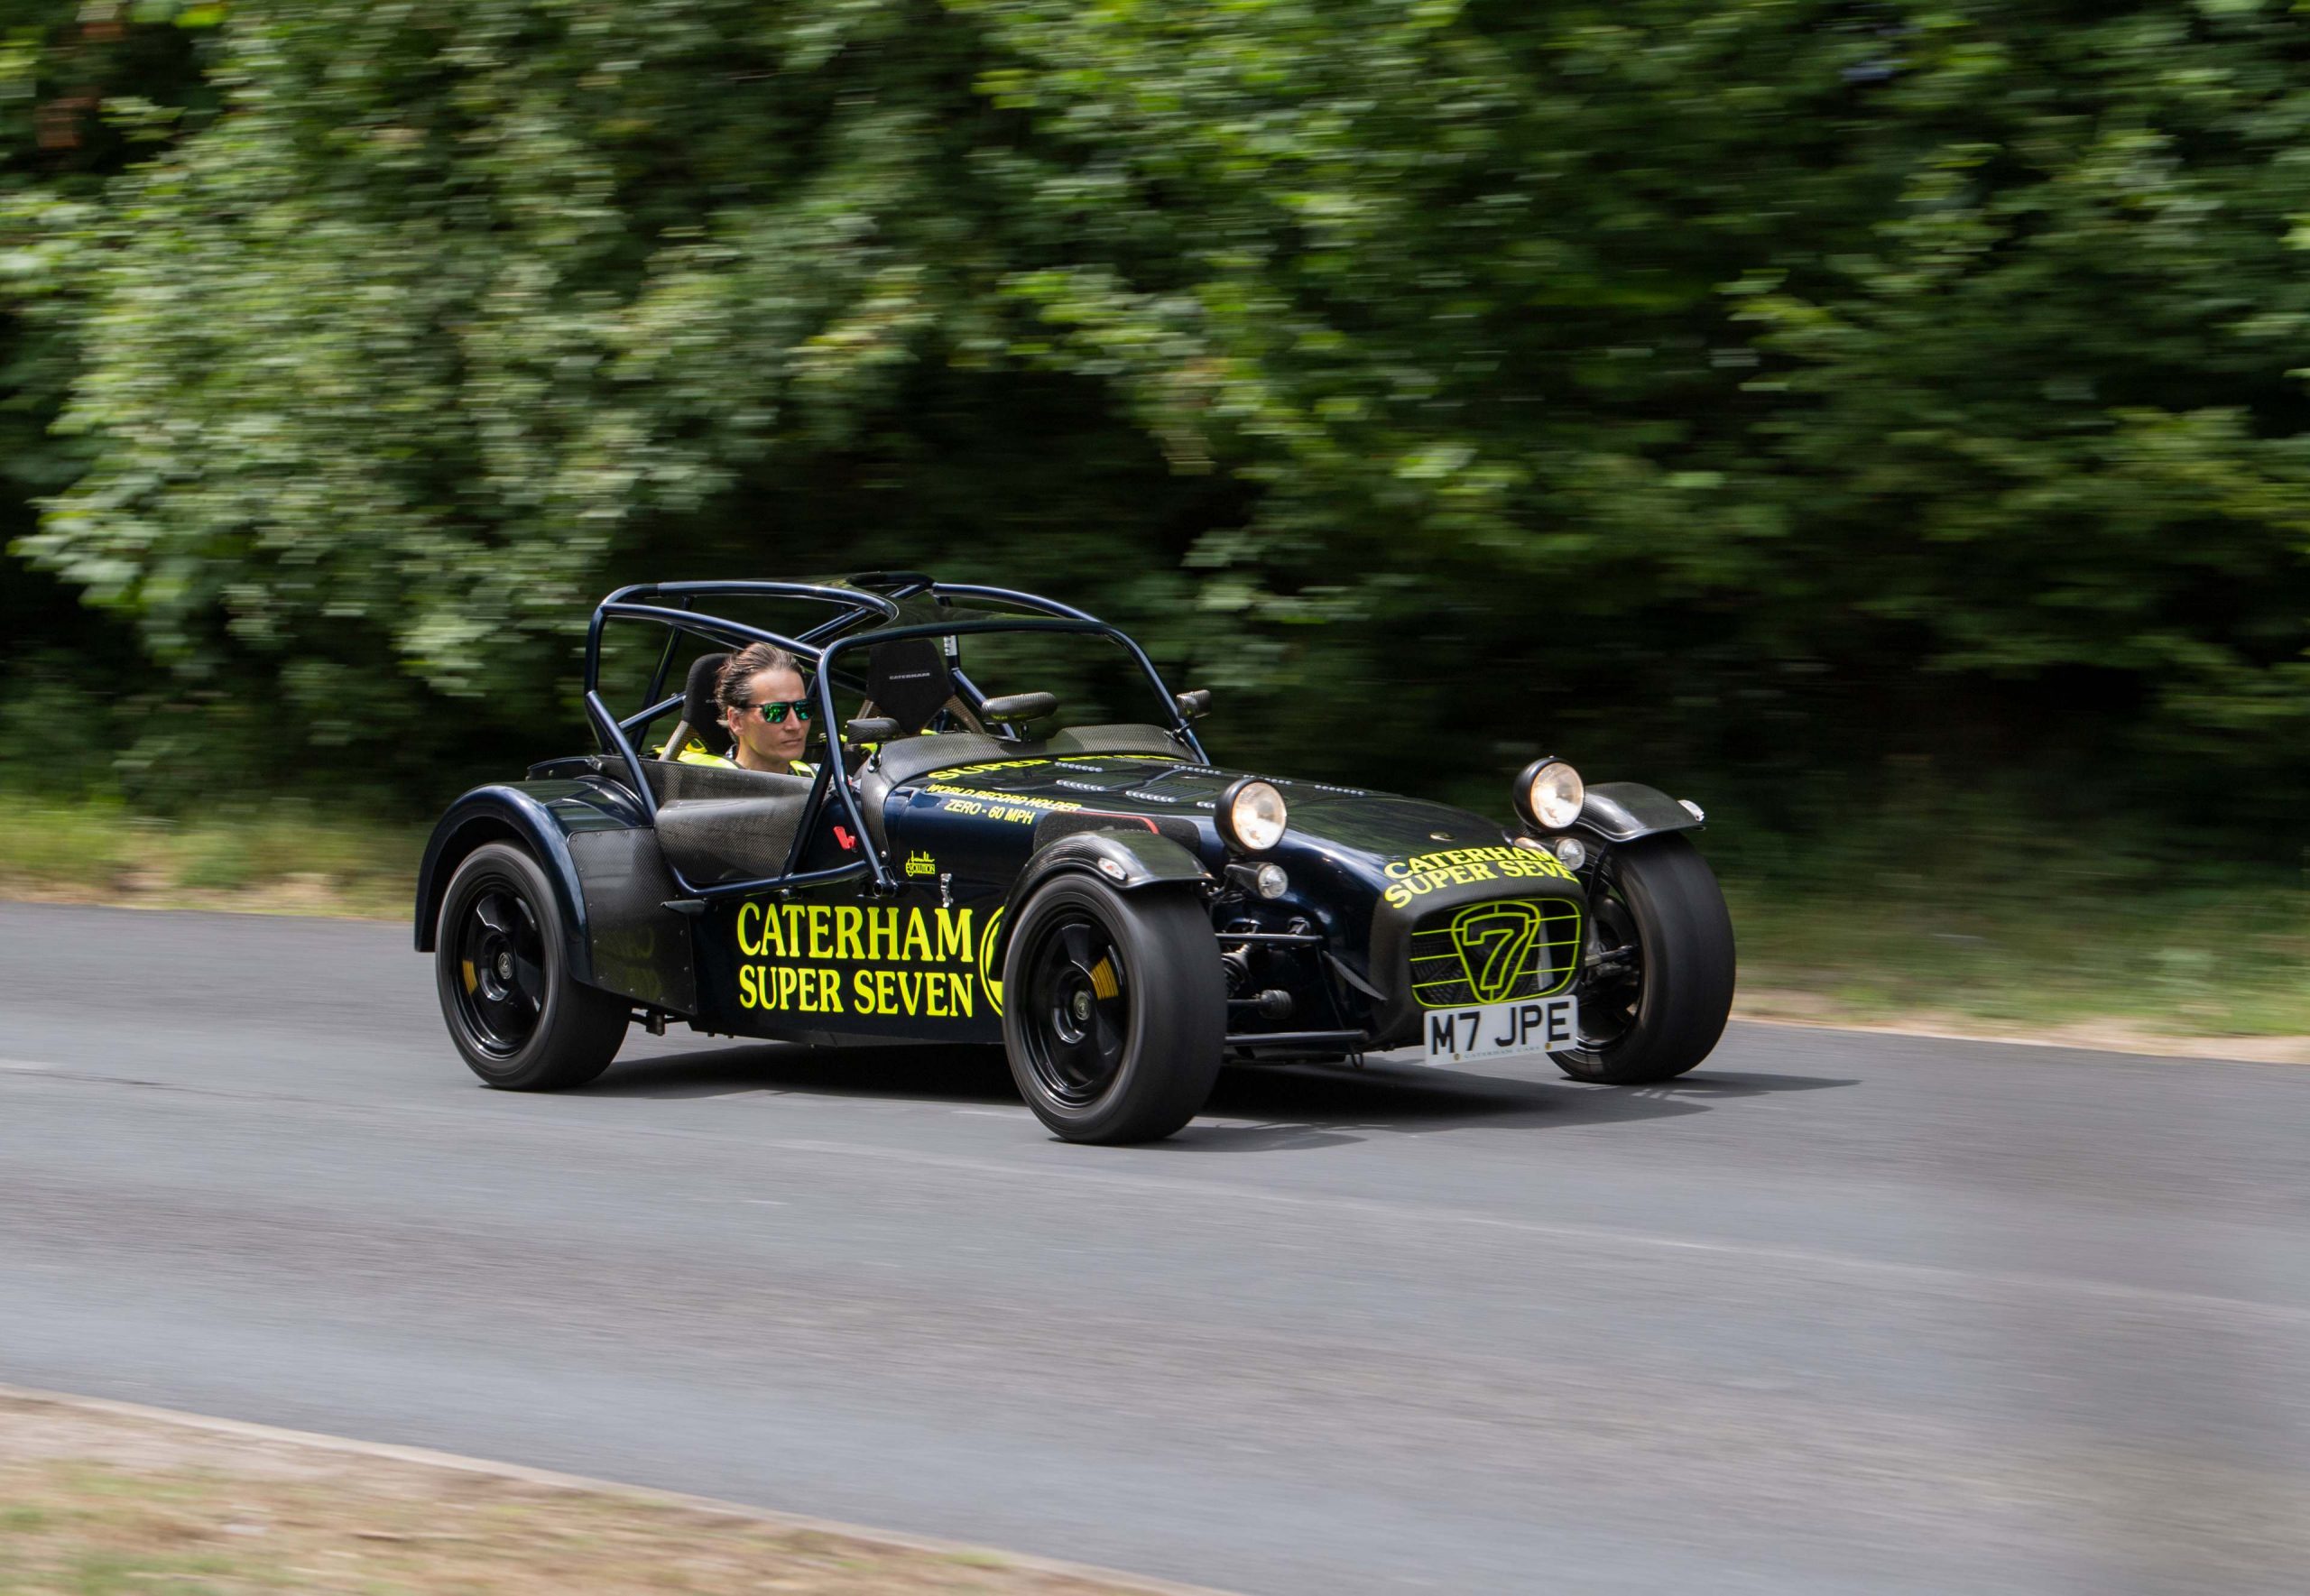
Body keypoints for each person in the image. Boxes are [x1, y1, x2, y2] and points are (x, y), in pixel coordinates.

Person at [666, 642, 818, 777]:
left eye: (803, 708)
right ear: (736, 721)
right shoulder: (701, 790)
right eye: (775, 712)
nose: (795, 725)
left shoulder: (827, 783)